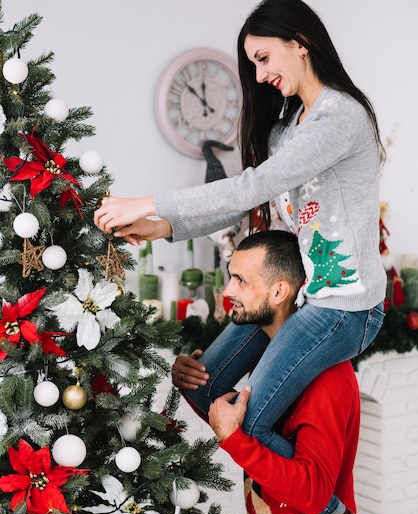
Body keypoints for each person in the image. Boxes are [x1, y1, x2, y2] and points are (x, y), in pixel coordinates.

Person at [94, 0, 386, 452]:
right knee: (203, 389)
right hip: (295, 297)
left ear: (301, 43)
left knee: (245, 426)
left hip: (346, 308)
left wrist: (146, 201)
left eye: (263, 58)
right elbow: (249, 200)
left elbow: (253, 185)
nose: (257, 75)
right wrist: (161, 227)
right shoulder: (286, 128)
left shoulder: (340, 118)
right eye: (252, 63)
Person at [173, 230, 377, 514]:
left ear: (281, 290)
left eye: (241, 281)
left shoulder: (326, 377)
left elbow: (315, 491)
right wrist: (193, 385)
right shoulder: (272, 363)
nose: (227, 290)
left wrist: (233, 437)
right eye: (229, 276)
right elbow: (237, 428)